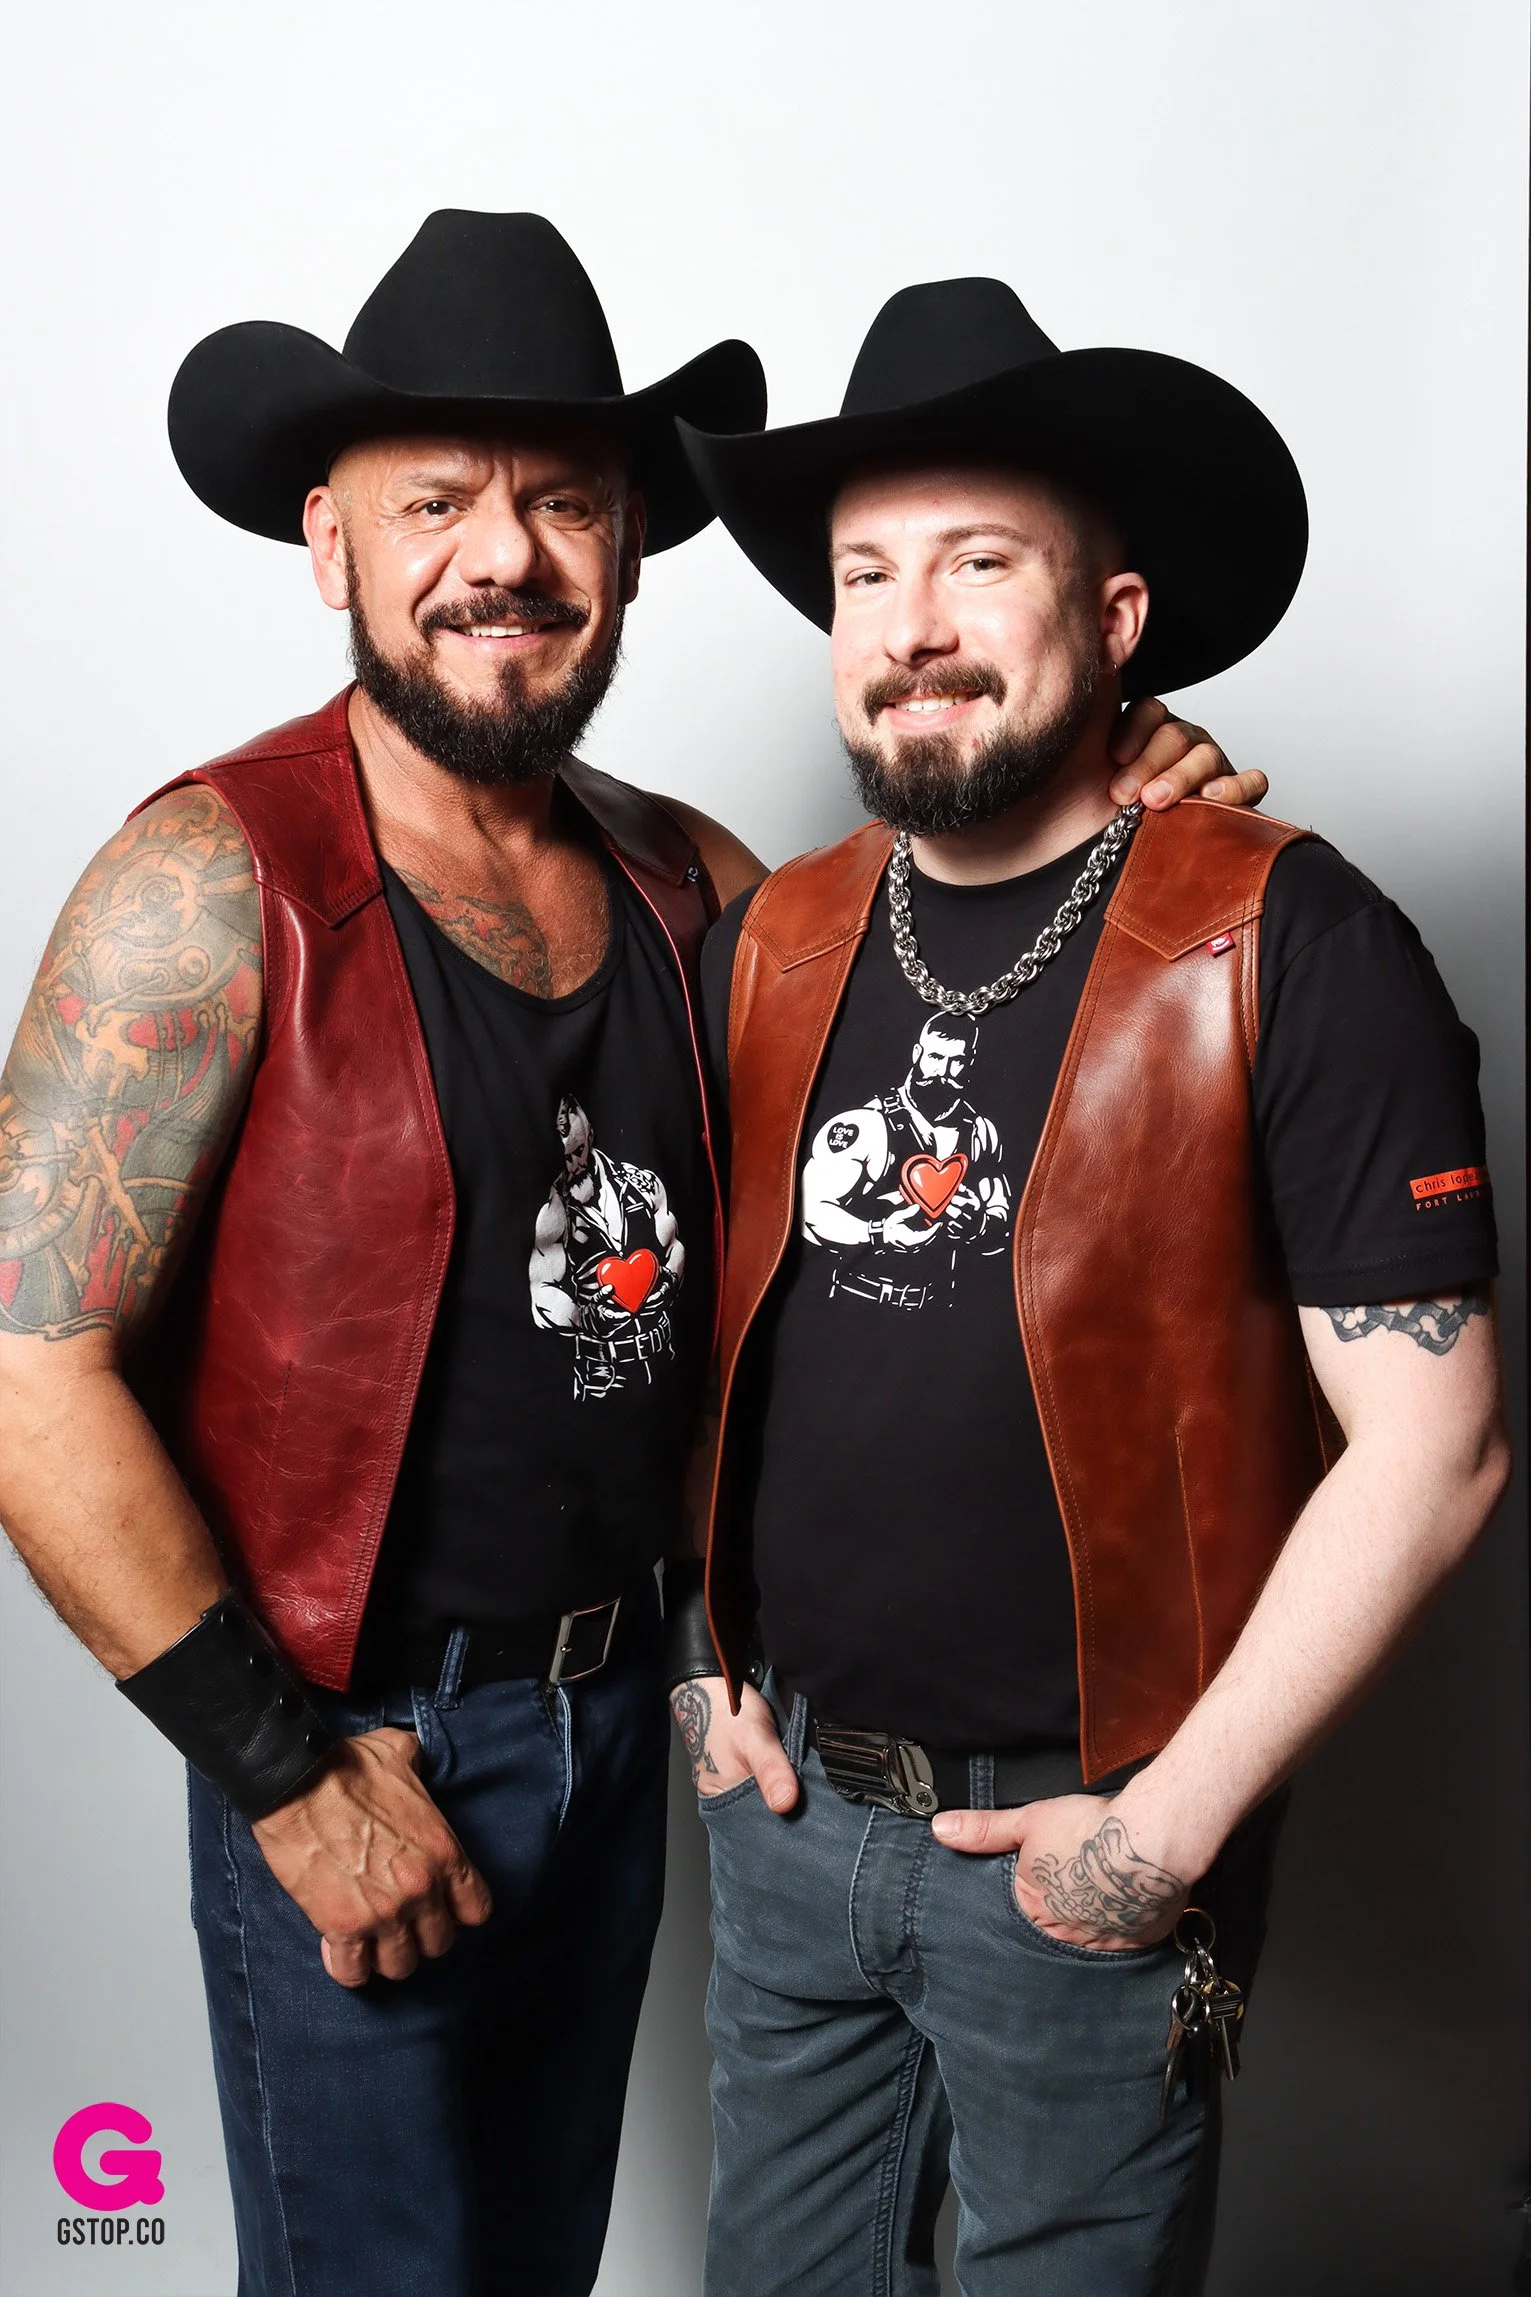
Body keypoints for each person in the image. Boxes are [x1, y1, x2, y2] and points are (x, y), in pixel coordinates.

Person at [0, 216, 1247, 2296]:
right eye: (436, 502)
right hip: (359, 1740)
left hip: (633, 1725)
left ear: (634, 550)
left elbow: (938, 1009)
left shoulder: (695, 886)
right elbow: (28, 1369)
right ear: (328, 541)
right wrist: (288, 1780)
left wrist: (1111, 769)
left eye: (563, 501)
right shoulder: (209, 879)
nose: (503, 557)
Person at [664, 276, 1509, 2295]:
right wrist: (707, 1670)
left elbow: (1439, 1446)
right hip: (786, 1824)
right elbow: (692, 1349)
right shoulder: (773, 941)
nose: (912, 624)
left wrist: (1160, 1833)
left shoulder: (1283, 940)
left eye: (979, 561)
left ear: (1115, 620)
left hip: (1090, 1845)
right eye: (865, 575)